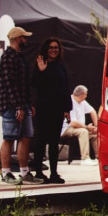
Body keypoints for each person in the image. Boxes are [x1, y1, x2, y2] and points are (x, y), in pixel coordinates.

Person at [0, 27, 41, 184]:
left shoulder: (19, 57)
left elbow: (24, 84)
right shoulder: (8, 57)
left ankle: (24, 173)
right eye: (24, 37)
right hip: (11, 105)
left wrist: (28, 104)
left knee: (25, 137)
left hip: (22, 104)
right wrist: (18, 106)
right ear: (17, 38)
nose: (26, 40)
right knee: (9, 138)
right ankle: (6, 173)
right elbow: (9, 84)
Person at [30, 37, 70, 184]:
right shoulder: (41, 63)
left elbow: (66, 88)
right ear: (46, 49)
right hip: (43, 108)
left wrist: (67, 109)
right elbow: (34, 84)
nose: (54, 50)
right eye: (51, 47)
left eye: (56, 48)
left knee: (54, 142)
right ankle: (39, 172)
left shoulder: (61, 65)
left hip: (57, 108)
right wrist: (41, 71)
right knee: (41, 140)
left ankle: (54, 173)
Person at [61, 85, 98, 165]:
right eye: (86, 94)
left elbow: (92, 111)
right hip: (67, 128)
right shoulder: (69, 102)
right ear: (81, 95)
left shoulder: (82, 102)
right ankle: (85, 159)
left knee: (94, 133)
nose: (86, 96)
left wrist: (96, 126)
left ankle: (99, 157)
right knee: (83, 132)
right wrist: (87, 127)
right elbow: (72, 123)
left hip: (78, 127)